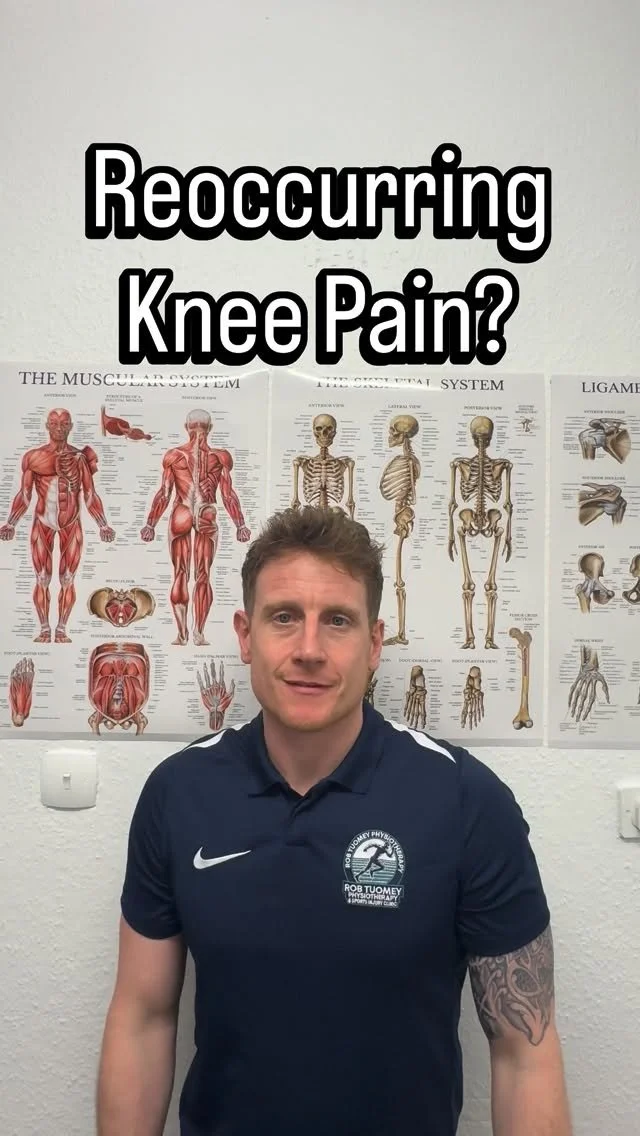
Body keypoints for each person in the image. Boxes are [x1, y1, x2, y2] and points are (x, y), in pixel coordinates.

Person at [97, 506, 573, 1136]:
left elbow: (524, 1053)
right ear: (245, 635)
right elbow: (143, 1018)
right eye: (284, 617)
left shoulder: (465, 800)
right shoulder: (179, 793)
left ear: (374, 644)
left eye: (338, 621)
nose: (309, 650)